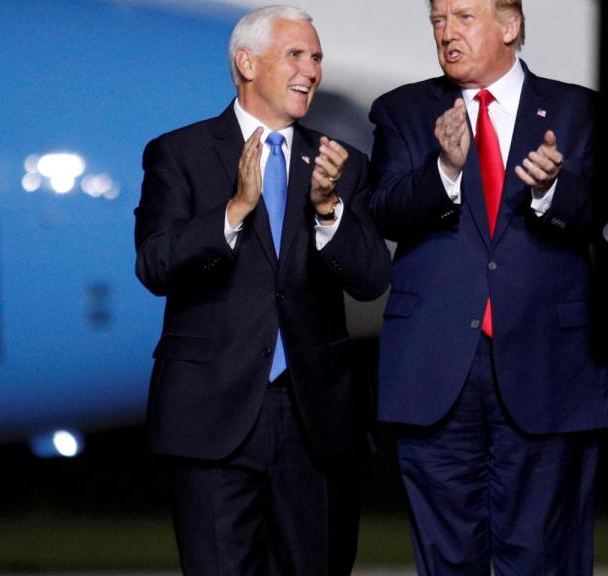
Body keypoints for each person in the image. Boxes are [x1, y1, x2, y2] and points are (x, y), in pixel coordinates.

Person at [368, 0, 608, 574]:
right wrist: (444, 171)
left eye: (463, 17)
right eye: (438, 20)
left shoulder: (578, 110)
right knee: (447, 556)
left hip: (549, 365)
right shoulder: (404, 110)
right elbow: (384, 212)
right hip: (437, 369)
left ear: (510, 25)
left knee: (544, 555)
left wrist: (552, 191)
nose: (446, 32)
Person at [134, 6, 391, 575]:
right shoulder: (180, 154)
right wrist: (234, 210)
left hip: (315, 422)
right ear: (246, 63)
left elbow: (373, 279)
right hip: (211, 418)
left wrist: (328, 211)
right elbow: (155, 264)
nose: (311, 71)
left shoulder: (340, 164)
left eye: (317, 57)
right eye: (296, 55)